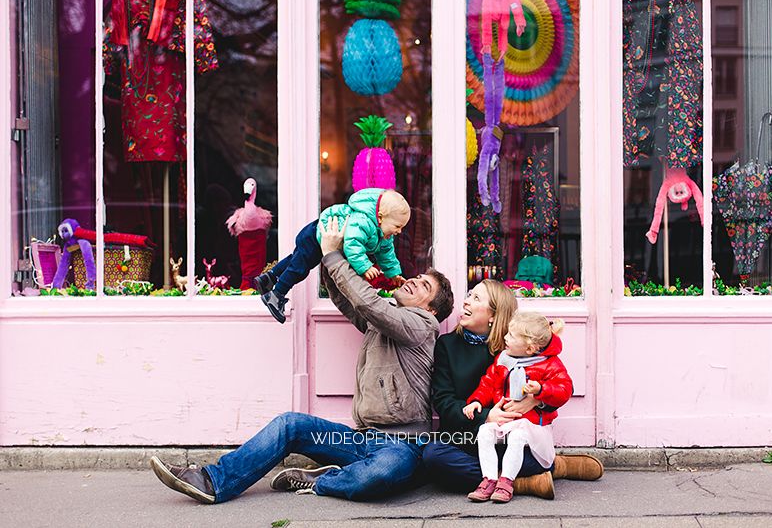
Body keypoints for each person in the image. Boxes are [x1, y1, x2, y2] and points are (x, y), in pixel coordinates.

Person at [150, 215, 454, 503]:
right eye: (417, 277)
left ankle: (321, 481)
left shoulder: (423, 327)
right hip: (359, 440)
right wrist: (329, 250)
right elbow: (351, 301)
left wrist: (335, 257)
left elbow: (370, 303)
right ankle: (213, 481)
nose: (414, 281)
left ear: (431, 310)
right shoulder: (387, 320)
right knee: (289, 425)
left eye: (425, 286)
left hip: (404, 447)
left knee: (382, 472)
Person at [423, 279, 603, 500]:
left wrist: (536, 399)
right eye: (469, 295)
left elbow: (561, 382)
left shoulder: (513, 344)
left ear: (493, 315)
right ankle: (525, 482)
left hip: (509, 437)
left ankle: (544, 468)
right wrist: (487, 416)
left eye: (476, 298)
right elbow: (443, 402)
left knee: (524, 451)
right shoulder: (447, 345)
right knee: (433, 456)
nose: (466, 302)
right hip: (467, 437)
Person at [255, 188, 410, 323]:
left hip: (317, 237)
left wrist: (393, 273)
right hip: (316, 238)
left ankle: (268, 278)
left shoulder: (384, 235)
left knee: (294, 260)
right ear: (381, 217)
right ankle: (276, 295)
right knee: (298, 268)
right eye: (397, 226)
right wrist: (365, 266)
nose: (399, 231)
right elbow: (352, 244)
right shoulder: (363, 221)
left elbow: (386, 254)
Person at [463, 311, 572, 503]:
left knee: (517, 437)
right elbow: (488, 383)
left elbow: (564, 390)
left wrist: (541, 390)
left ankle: (506, 482)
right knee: (485, 432)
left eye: (511, 336)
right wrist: (477, 400)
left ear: (530, 349)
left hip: (532, 425)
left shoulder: (549, 365)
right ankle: (489, 479)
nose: (505, 337)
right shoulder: (503, 360)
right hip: (507, 419)